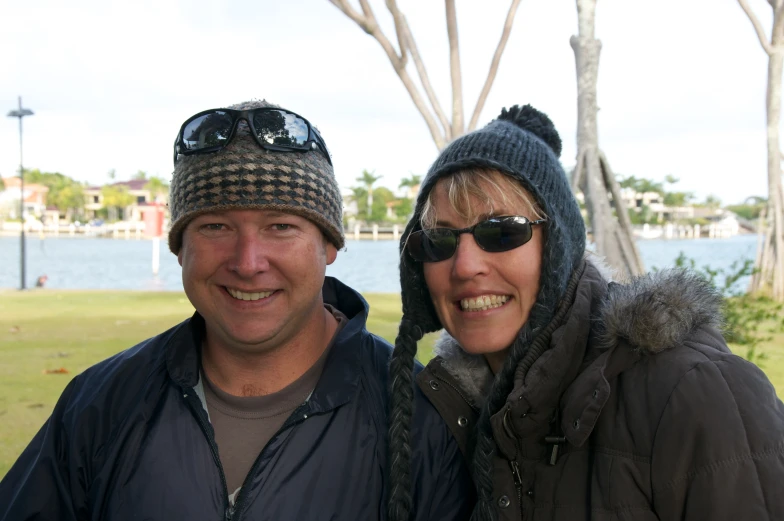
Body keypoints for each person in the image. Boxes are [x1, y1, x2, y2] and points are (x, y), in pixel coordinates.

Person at [0, 99, 474, 521]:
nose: (247, 263)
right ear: (179, 247)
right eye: (215, 226)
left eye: (280, 226)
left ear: (329, 245)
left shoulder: (419, 419)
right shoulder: (100, 405)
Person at [386, 104, 784, 521]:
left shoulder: (692, 395)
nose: (465, 266)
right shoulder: (444, 412)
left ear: (558, 248)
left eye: (502, 231)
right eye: (438, 240)